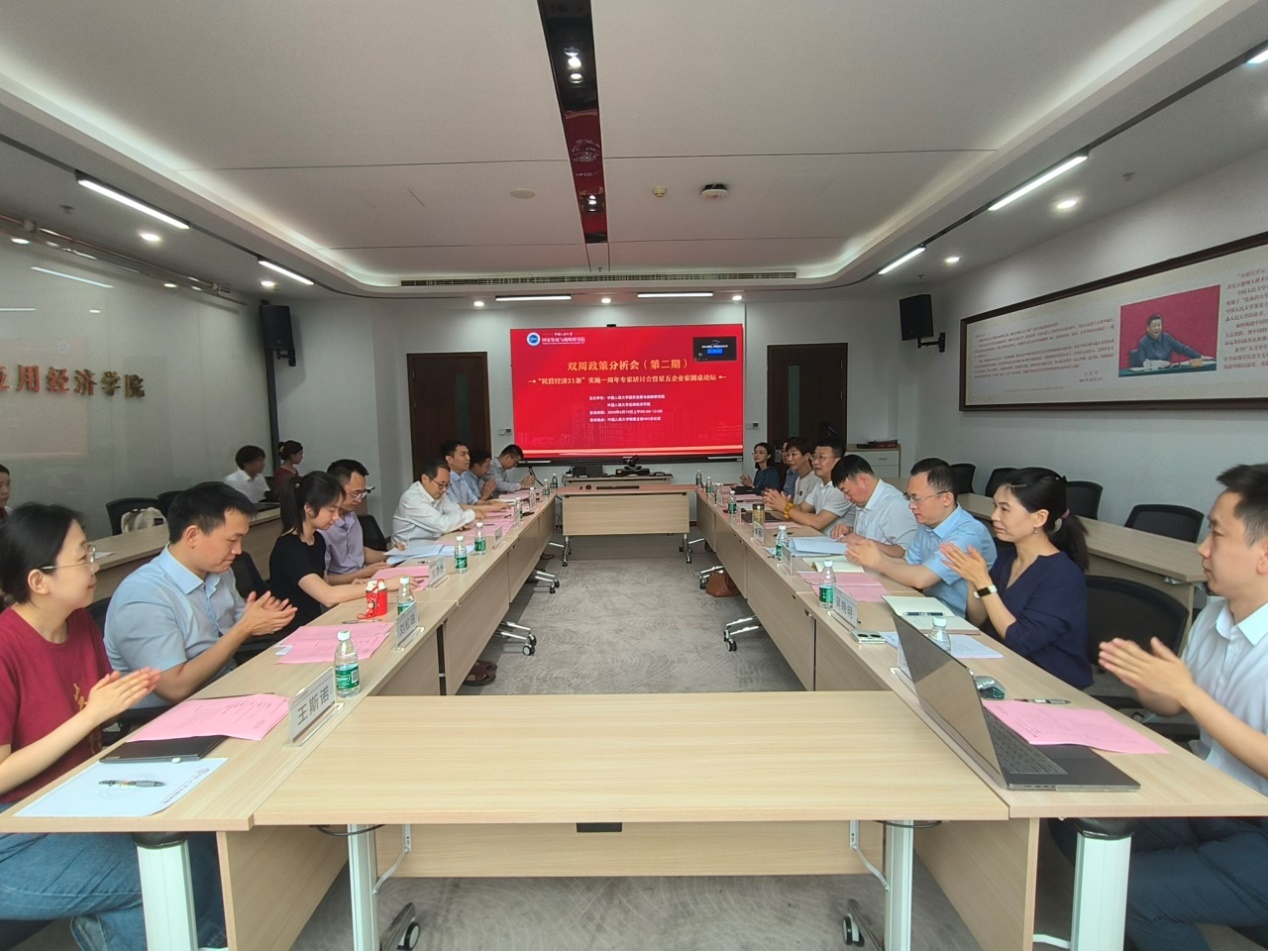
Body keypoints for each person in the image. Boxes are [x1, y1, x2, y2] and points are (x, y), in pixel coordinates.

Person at [1055, 463, 1268, 949]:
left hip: (1259, 829)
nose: (1202, 549)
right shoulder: (1217, 613)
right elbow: (1174, 704)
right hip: (1210, 799)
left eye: (1217, 535)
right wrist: (1151, 685)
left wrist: (1189, 694)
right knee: (1079, 827)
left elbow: (1194, 700)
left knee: (1129, 892)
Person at [0, 503, 227, 949]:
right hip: (15, 834)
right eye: (82, 556)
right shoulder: (6, 648)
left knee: (197, 839)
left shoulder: (78, 622)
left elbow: (103, 712)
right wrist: (89, 716)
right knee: (152, 872)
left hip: (77, 798)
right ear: (39, 581)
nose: (95, 566)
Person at [106, 483, 296, 706]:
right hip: (175, 713)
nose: (238, 550)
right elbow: (175, 688)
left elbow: (239, 625)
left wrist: (260, 619)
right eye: (231, 540)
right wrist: (244, 628)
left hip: (228, 685)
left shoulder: (220, 572)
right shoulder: (143, 597)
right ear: (193, 535)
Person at [939, 467, 1092, 688]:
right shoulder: (1006, 558)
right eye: (995, 506)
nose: (994, 516)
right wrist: (972, 578)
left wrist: (984, 582)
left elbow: (1019, 641)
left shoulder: (1063, 576)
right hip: (1002, 666)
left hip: (1047, 683)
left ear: (1039, 518)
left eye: (1005, 509)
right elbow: (980, 619)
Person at [847, 457, 997, 615]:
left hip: (958, 618)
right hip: (929, 607)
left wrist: (879, 561)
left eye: (917, 499)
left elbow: (922, 578)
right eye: (909, 498)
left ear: (946, 499)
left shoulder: (968, 533)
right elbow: (908, 564)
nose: (911, 505)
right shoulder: (927, 524)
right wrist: (871, 554)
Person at [268, 471, 366, 631]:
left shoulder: (317, 539)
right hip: (293, 631)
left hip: (316, 621)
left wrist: (352, 587)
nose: (336, 517)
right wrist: (382, 585)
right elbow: (327, 596)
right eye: (331, 510)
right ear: (308, 508)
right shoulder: (289, 548)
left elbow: (324, 584)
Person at [830, 454, 918, 557]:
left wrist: (864, 542)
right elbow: (874, 533)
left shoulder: (895, 506)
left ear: (864, 481)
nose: (846, 498)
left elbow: (907, 553)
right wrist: (849, 531)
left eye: (847, 491)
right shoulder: (864, 501)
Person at [763, 437, 851, 536]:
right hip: (818, 538)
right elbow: (802, 508)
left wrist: (785, 507)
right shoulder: (820, 484)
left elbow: (818, 522)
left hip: (836, 542)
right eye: (814, 457)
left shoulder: (842, 489)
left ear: (838, 461)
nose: (815, 462)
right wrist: (782, 503)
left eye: (821, 457)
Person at [323, 459, 389, 584]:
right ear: (335, 489)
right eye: (355, 494)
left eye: (362, 494)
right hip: (342, 588)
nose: (359, 500)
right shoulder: (322, 526)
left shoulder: (351, 514)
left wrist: (391, 555)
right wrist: (363, 573)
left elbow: (357, 552)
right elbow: (322, 580)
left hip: (362, 580)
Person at [392, 459, 475, 547]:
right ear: (425, 479)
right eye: (440, 484)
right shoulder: (412, 499)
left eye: (447, 485)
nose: (444, 489)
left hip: (432, 544)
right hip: (409, 549)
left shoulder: (438, 493)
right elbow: (443, 525)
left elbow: (454, 510)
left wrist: (459, 522)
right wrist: (471, 514)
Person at [441, 440, 507, 513]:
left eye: (468, 454)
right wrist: (490, 508)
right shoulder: (444, 479)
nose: (468, 458)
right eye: (463, 455)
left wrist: (490, 503)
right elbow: (456, 508)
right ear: (449, 459)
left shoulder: (462, 477)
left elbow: (474, 502)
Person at [1134, 314, 1209, 367]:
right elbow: (1144, 363)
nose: (1157, 328)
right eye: (1154, 326)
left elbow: (1183, 349)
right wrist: (1160, 363)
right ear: (1148, 328)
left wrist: (1199, 356)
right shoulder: (1143, 342)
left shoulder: (1167, 338)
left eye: (1159, 325)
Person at [778, 437, 814, 502]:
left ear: (806, 456)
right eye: (788, 455)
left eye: (794, 454)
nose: (789, 459)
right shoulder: (798, 479)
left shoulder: (815, 479)